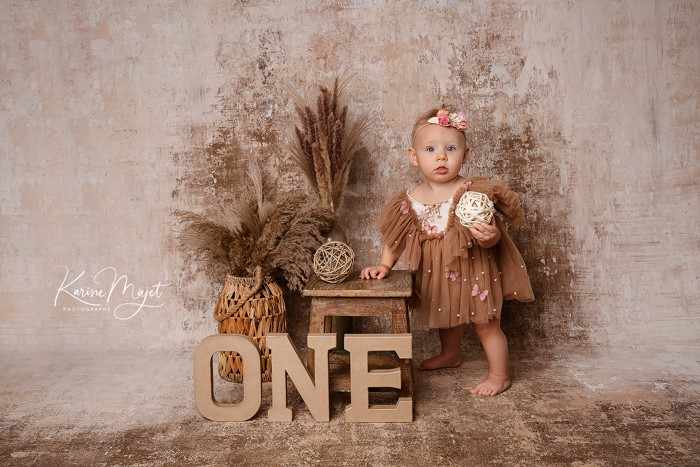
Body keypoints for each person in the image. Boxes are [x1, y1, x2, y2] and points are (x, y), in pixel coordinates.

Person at [360, 106, 534, 396]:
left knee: (485, 323)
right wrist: (385, 264)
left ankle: (499, 374)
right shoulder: (410, 199)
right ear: (414, 157)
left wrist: (489, 236)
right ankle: (450, 355)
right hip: (436, 270)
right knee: (445, 312)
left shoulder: (472, 193)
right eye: (430, 149)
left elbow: (488, 233)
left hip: (473, 267)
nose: (441, 156)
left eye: (450, 148)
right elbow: (396, 237)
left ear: (464, 155)